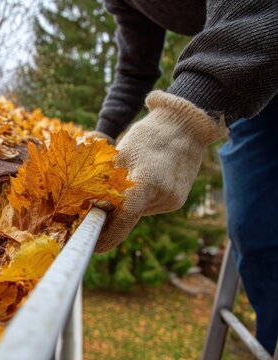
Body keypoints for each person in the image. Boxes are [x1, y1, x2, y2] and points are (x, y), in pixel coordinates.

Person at [94, 0, 278, 354]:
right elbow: (134, 72)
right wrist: (101, 136)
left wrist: (180, 120)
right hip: (255, 101)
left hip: (253, 56)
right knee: (254, 231)